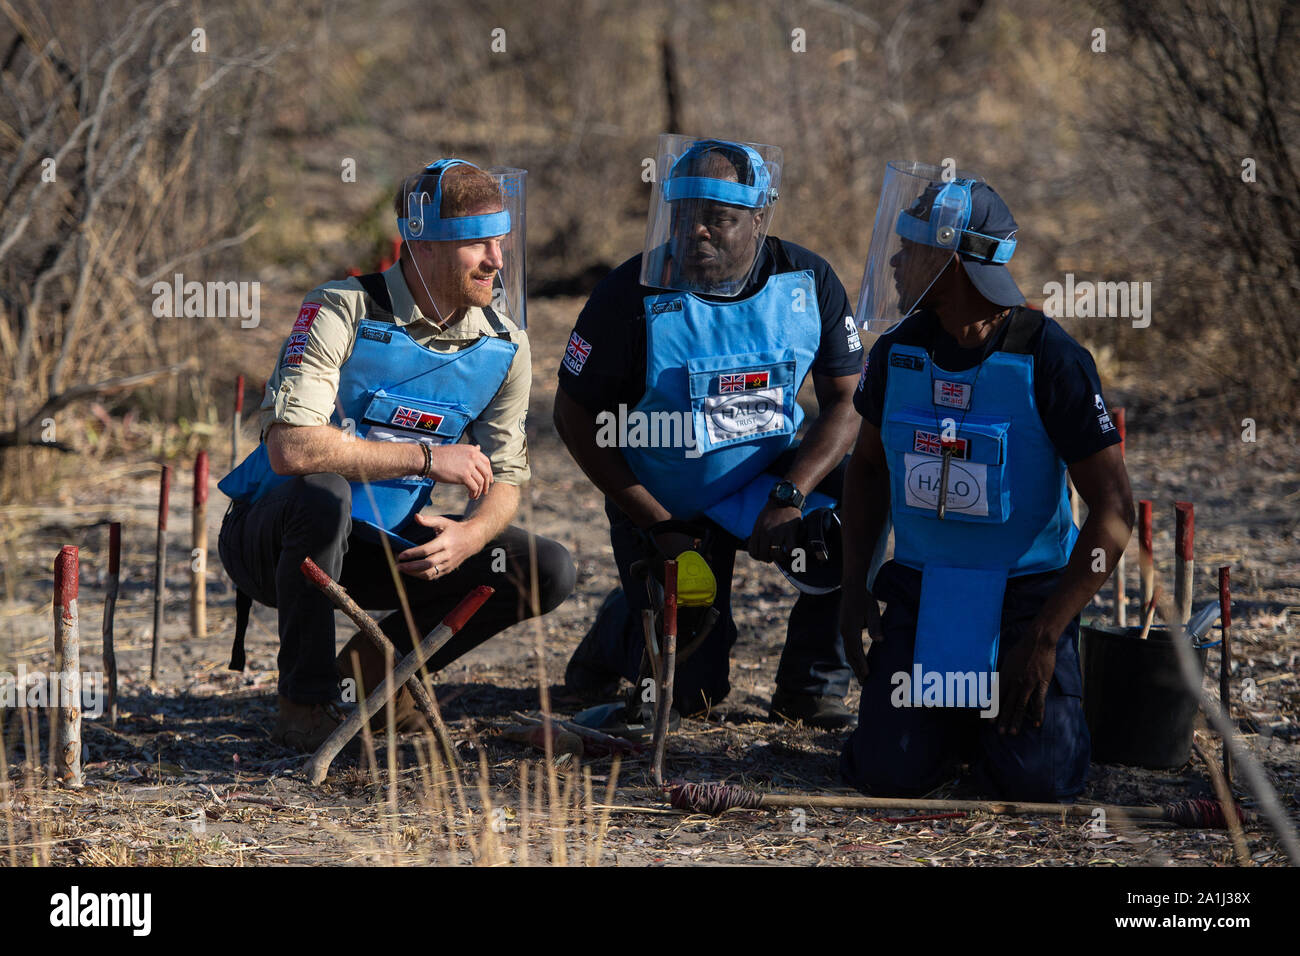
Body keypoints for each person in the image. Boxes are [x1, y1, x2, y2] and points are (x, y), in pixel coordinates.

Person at [217, 159, 575, 751]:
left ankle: (371, 681)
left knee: (545, 567)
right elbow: (292, 447)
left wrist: (469, 537)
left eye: (500, 241)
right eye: (476, 244)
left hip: (382, 545)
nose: (495, 260)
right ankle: (303, 706)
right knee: (323, 492)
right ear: (422, 244)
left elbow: (507, 476)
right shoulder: (341, 309)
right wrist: (430, 461)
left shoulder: (505, 346)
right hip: (275, 537)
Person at [839, 161, 1134, 800]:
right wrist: (854, 585)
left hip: (1027, 603)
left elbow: (1114, 512)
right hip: (923, 590)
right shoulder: (898, 352)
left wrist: (1047, 635)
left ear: (952, 263)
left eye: (910, 248)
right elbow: (864, 468)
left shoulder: (1051, 360)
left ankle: (1034, 714)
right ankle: (948, 725)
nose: (893, 262)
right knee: (888, 774)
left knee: (1037, 781)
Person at [554, 135, 864, 729]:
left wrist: (791, 494)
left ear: (757, 219)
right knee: (693, 694)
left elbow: (846, 401)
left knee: (859, 503)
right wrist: (656, 523)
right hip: (666, 494)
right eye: (685, 216)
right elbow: (573, 419)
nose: (697, 231)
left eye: (717, 218)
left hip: (767, 477)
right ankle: (617, 632)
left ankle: (812, 685)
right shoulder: (629, 293)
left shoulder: (807, 279)